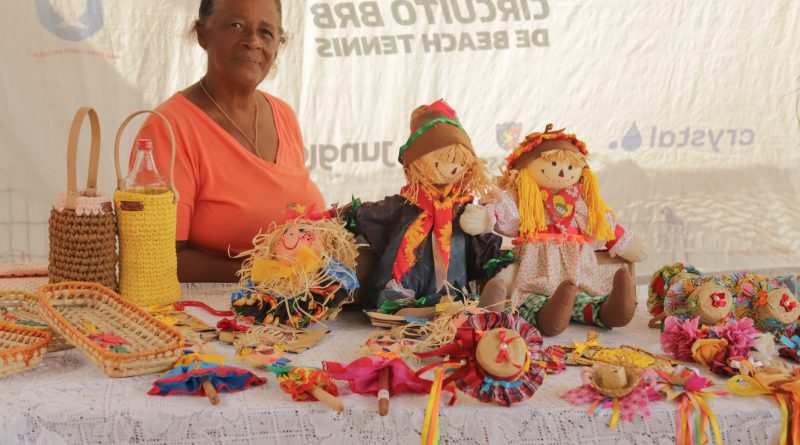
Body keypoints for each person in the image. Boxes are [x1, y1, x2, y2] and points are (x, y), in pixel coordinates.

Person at [133, 0, 324, 282]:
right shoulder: (168, 129)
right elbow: (161, 259)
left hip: (294, 303)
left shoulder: (282, 114)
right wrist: (267, 274)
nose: (253, 42)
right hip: (214, 314)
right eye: (236, 26)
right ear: (203, 35)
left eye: (266, 32)